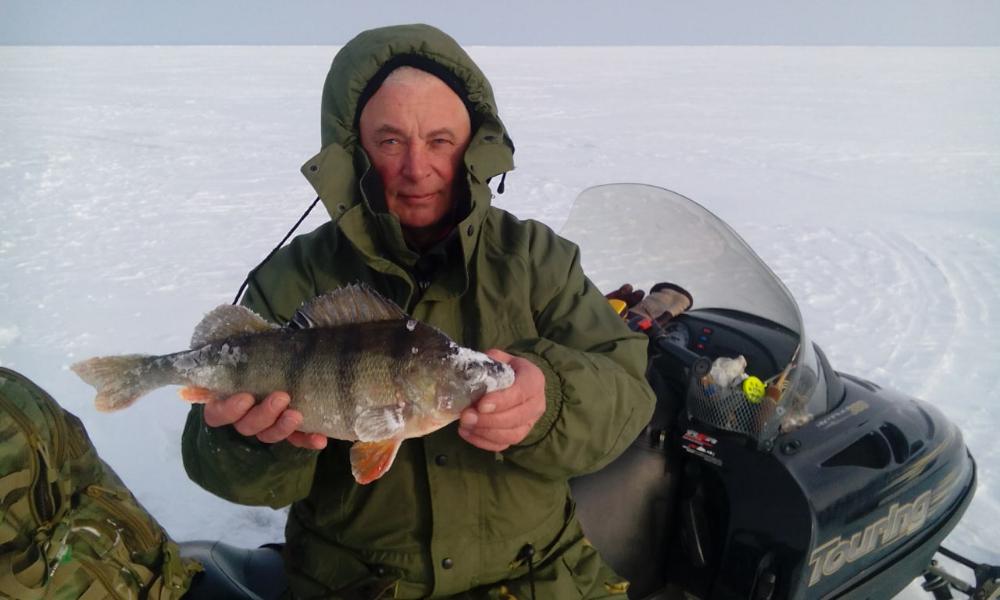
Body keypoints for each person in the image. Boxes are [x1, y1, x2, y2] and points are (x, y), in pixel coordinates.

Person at [181, 23, 656, 599]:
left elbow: (628, 391)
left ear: (473, 147)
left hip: (539, 578)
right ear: (354, 152)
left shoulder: (536, 258)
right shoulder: (294, 276)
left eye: (440, 140)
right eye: (389, 141)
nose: (416, 167)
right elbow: (215, 464)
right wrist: (251, 442)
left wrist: (550, 398)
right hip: (354, 587)